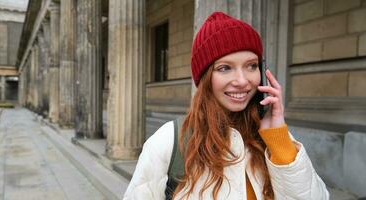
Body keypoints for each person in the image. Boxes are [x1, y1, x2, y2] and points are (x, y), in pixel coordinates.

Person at [123, 12, 329, 200]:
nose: (242, 80)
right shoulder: (170, 140)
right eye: (224, 68)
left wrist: (279, 139)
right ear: (205, 78)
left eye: (251, 66)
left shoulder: (274, 137)